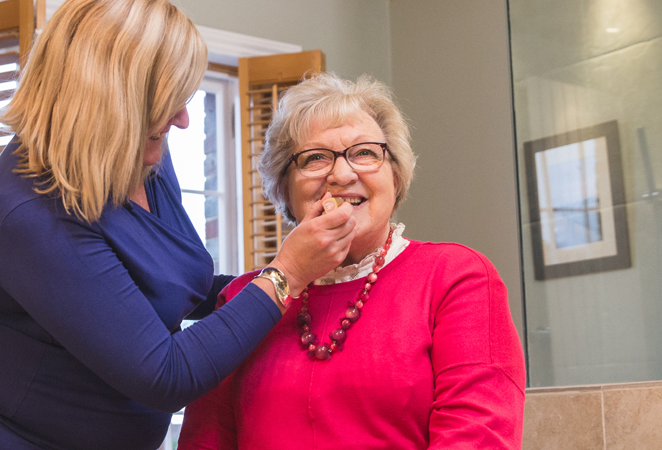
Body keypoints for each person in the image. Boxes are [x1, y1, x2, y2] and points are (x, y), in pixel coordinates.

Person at [0, 1, 358, 449]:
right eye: (170, 101)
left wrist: (305, 276)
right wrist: (286, 274)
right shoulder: (26, 215)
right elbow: (164, 374)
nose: (184, 119)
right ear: (113, 101)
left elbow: (174, 287)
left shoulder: (141, 152)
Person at [178, 73, 527, 449]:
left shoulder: (455, 278)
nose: (342, 174)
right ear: (285, 186)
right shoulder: (243, 299)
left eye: (364, 153)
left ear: (395, 173)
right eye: (314, 158)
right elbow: (204, 441)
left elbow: (477, 437)